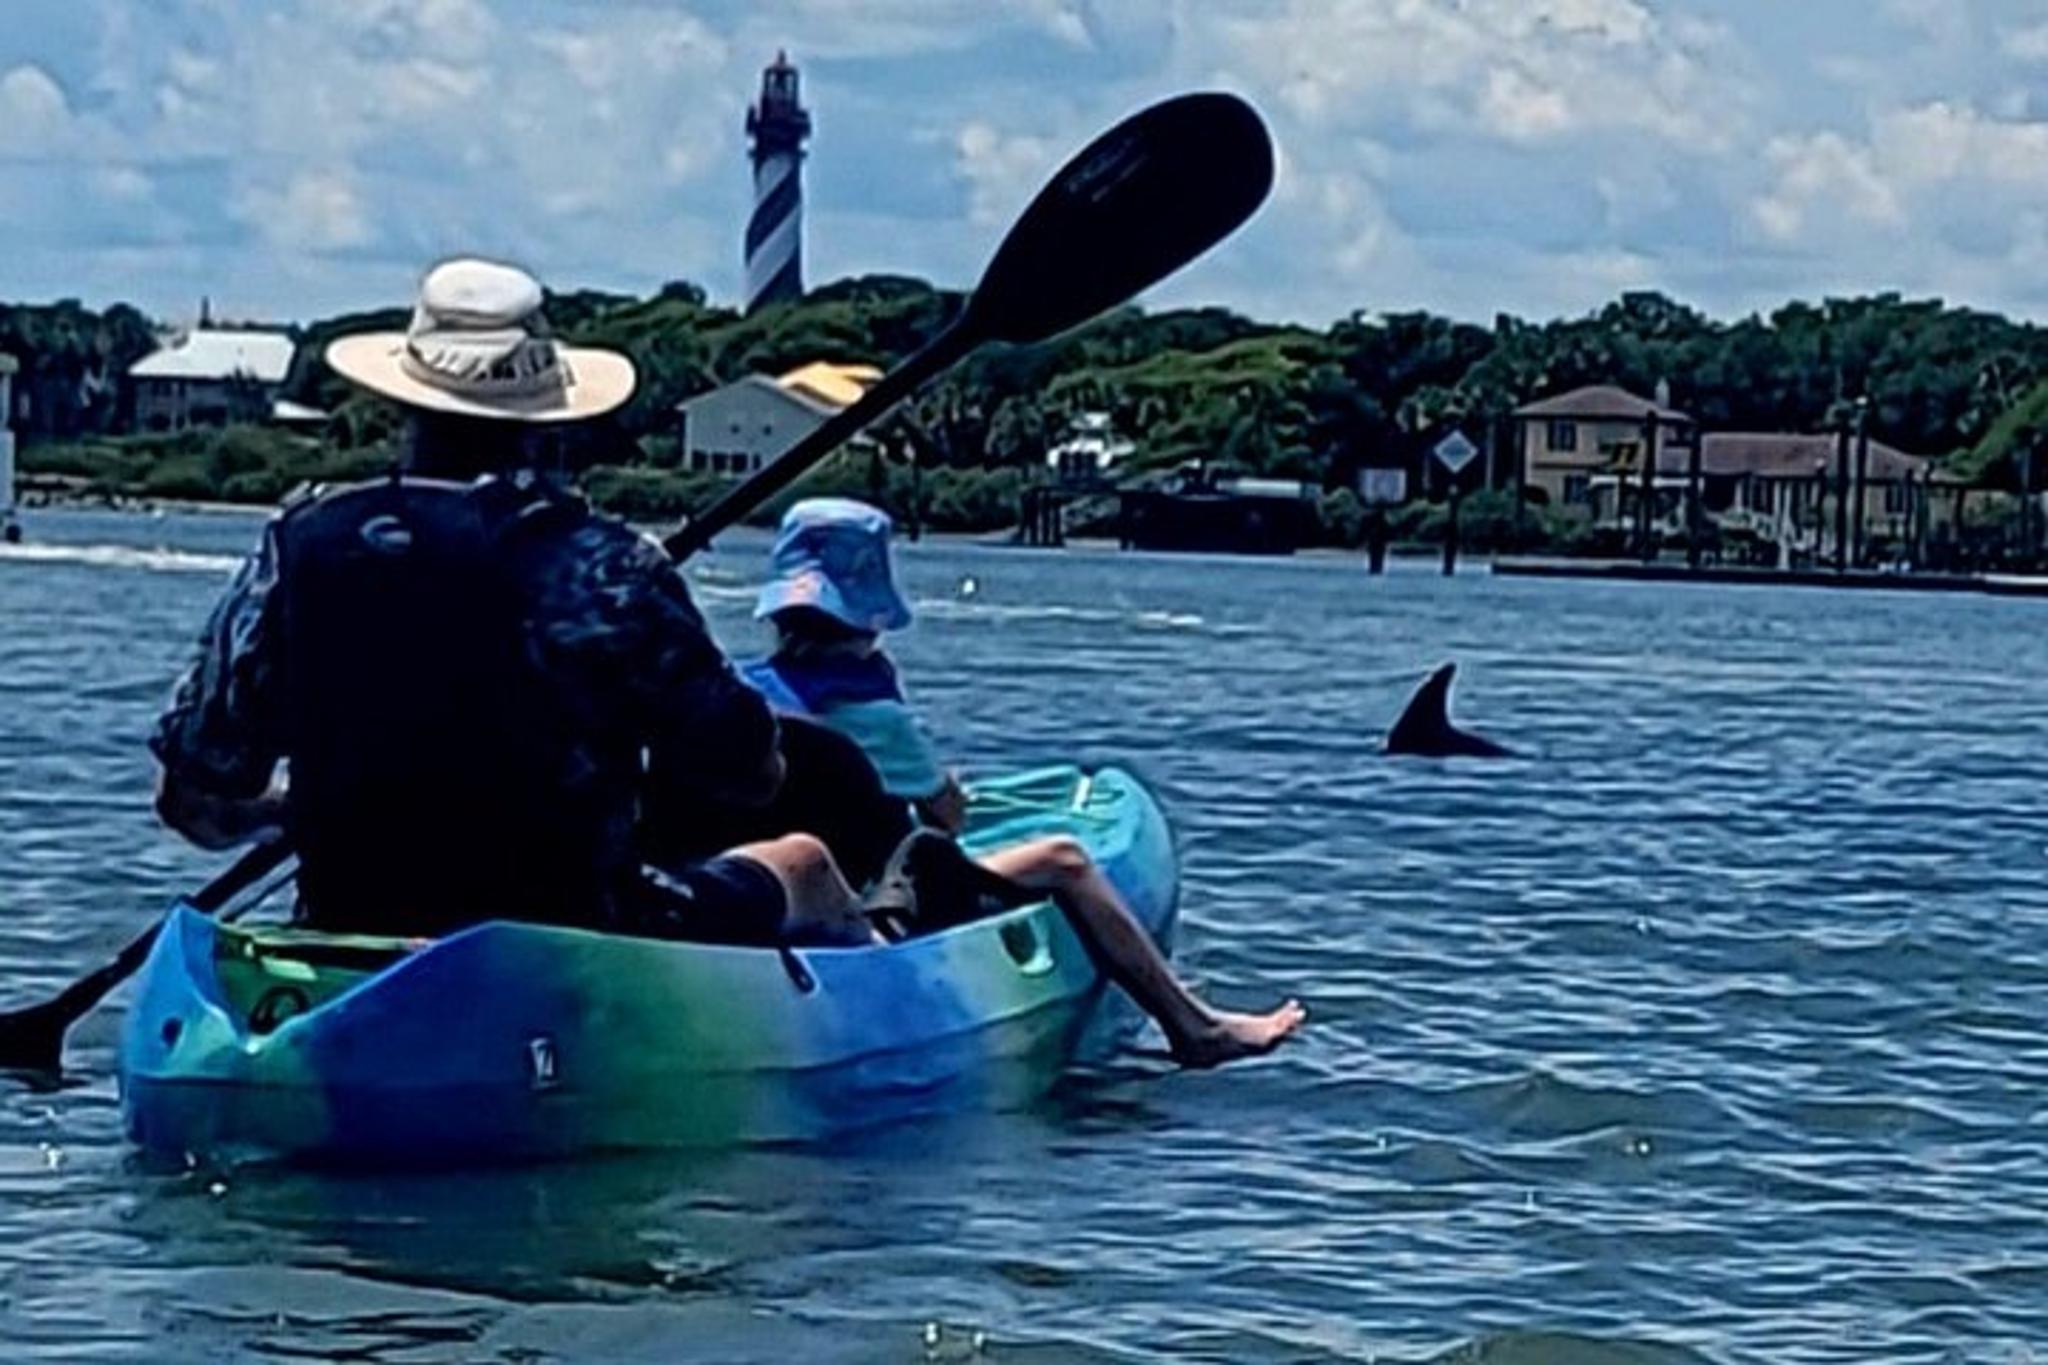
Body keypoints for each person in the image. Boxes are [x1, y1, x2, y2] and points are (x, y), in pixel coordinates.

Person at [149, 257, 878, 949]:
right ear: (543, 418)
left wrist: (300, 810)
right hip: (575, 944)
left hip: (349, 934)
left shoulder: (297, 543)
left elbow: (194, 802)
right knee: (805, 862)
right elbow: (752, 774)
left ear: (405, 405)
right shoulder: (603, 563)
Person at [743, 498, 1306, 1066]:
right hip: (877, 902)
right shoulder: (878, 719)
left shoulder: (744, 699)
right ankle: (1196, 1027)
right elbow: (950, 819)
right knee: (1064, 859)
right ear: (871, 619)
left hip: (774, 889)